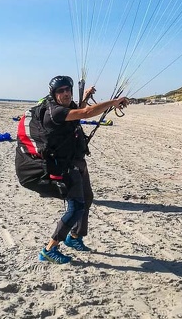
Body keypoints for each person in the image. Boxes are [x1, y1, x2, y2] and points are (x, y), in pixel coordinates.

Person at [38, 75, 128, 265]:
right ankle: (49, 249)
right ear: (53, 94)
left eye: (67, 89)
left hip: (77, 163)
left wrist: (85, 97)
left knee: (87, 199)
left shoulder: (66, 107)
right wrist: (114, 102)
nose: (65, 93)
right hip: (64, 167)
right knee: (76, 206)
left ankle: (75, 237)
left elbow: (78, 109)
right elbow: (85, 113)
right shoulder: (54, 112)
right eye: (60, 91)